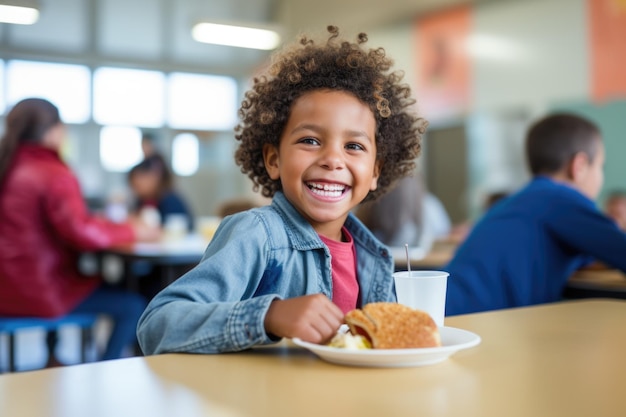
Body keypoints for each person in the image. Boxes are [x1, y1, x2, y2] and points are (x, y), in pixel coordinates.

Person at [137, 25, 425, 354]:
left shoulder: (373, 258)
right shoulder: (256, 235)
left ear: (375, 171)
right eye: (310, 141)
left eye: (354, 146)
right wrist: (267, 316)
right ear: (274, 159)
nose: (332, 159)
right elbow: (157, 325)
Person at [0, 98, 161, 363]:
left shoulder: (8, 166)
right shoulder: (53, 172)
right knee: (133, 305)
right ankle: (106, 368)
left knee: (93, 280)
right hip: (39, 293)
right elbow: (82, 232)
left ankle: (51, 356)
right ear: (54, 130)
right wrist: (134, 231)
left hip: (7, 292)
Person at [445, 113, 626, 316]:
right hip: (468, 324)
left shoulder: (518, 201)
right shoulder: (561, 201)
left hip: (444, 308)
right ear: (580, 166)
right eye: (601, 166)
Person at [127, 157, 194, 231]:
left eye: (138, 185)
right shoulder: (141, 201)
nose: (135, 190)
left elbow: (181, 225)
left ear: (154, 178)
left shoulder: (170, 200)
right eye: (133, 185)